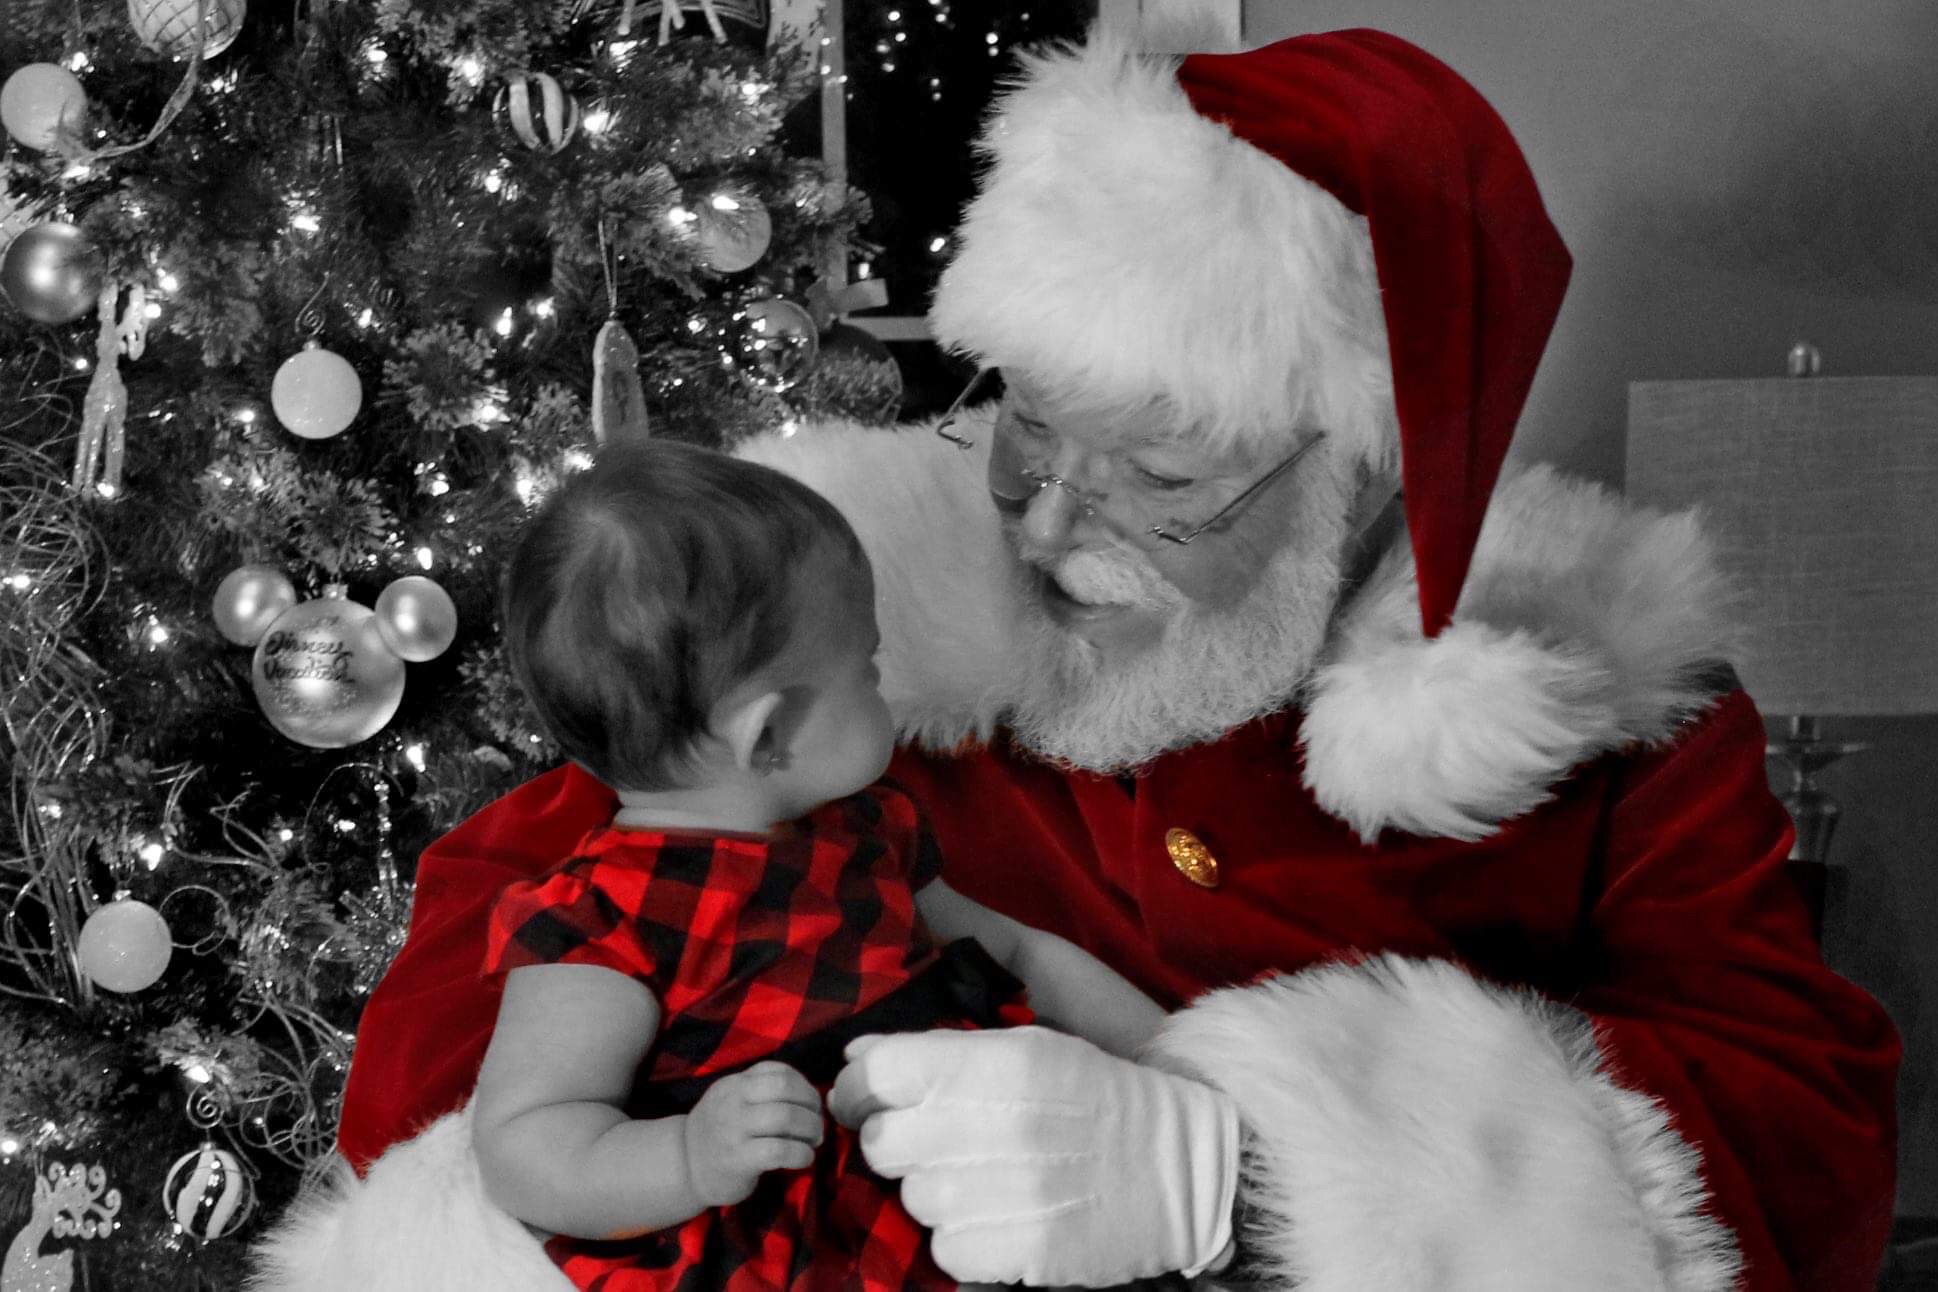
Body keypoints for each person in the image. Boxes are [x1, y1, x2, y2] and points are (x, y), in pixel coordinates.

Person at [254, 25, 1901, 1292]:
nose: (1043, 527)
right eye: (1025, 432)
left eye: (1165, 477)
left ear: (1371, 467)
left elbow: (1799, 1146)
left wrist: (1249, 1170)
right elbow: (489, 983)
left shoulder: (1611, 712)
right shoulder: (830, 624)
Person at [466, 440, 1173, 1290]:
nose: (884, 687)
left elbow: (1019, 956)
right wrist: (688, 1156)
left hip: (995, 1168)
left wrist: (1181, 1058)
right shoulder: (606, 917)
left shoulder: (865, 828)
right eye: (867, 671)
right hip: (819, 1248)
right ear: (770, 737)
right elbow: (526, 1141)